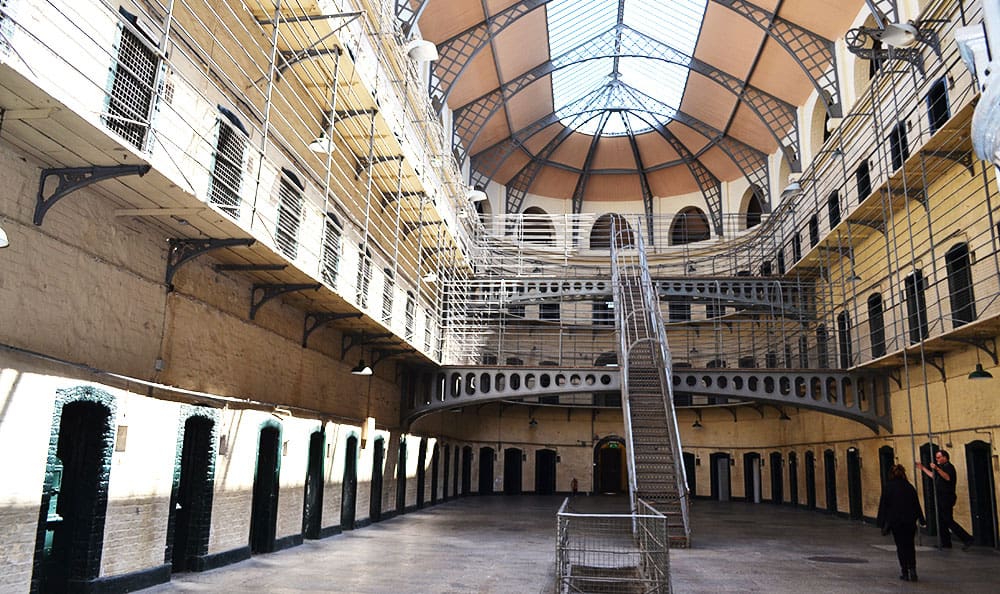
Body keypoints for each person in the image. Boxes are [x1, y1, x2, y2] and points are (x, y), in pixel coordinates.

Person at [917, 449, 974, 550]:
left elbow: (947, 477)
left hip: (947, 497)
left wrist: (937, 469)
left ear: (945, 457)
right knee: (941, 520)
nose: (937, 459)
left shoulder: (949, 467)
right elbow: (933, 476)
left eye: (938, 457)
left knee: (948, 520)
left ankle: (967, 538)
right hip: (940, 497)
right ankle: (946, 542)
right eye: (936, 457)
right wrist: (923, 468)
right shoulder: (942, 467)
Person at [877, 465, 926, 581]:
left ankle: (904, 571)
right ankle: (913, 569)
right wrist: (921, 518)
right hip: (910, 521)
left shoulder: (888, 487)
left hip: (896, 521)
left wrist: (881, 523)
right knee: (910, 545)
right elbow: (916, 504)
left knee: (901, 546)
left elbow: (884, 506)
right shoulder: (909, 487)